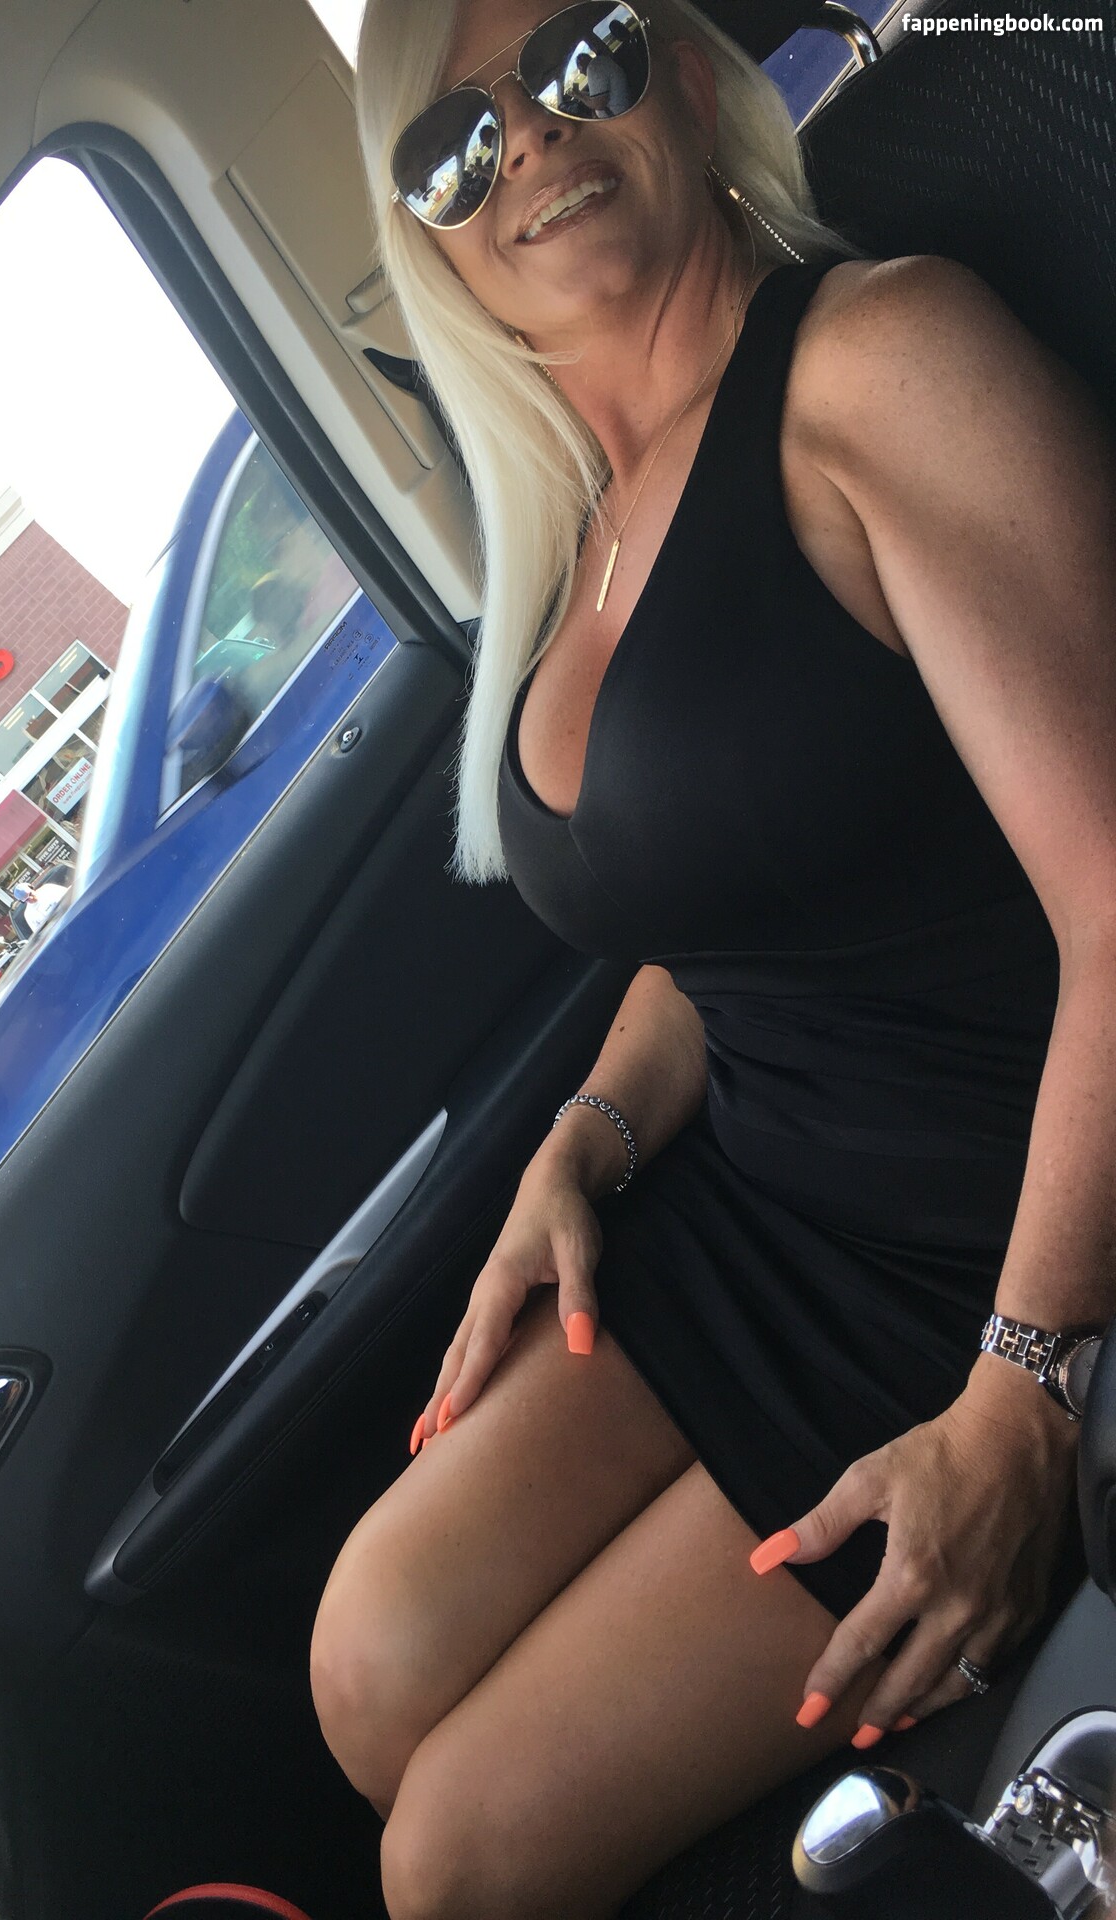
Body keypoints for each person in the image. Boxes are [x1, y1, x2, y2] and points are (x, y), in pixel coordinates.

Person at [309, 3, 1116, 1916]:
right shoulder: (576, 525)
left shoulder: (876, 364)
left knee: (457, 1863)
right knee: (368, 1661)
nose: (525, 139)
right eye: (451, 143)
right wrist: (582, 1136)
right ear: (429, 237)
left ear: (680, 70)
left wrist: (1025, 1394)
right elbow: (734, 911)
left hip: (981, 1255)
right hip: (753, 1199)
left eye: (574, 55)